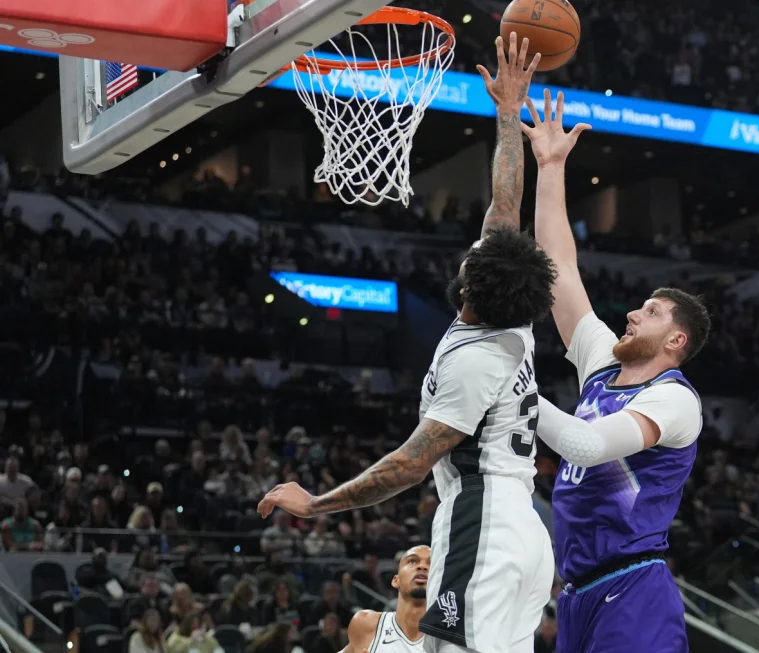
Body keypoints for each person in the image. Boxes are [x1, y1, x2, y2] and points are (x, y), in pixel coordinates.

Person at [257, 34, 556, 653]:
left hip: (484, 523)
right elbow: (506, 204)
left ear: (472, 284)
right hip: (523, 530)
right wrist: (507, 115)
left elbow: (410, 464)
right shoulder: (513, 318)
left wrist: (317, 505)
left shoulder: (474, 357)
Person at [520, 89, 710, 653]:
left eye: (650, 312)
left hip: (633, 590)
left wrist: (517, 393)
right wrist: (551, 167)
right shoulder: (603, 368)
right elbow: (557, 269)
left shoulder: (675, 401)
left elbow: (581, 444)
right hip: (577, 594)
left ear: (675, 341)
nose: (632, 311)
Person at [342, 546, 432, 653]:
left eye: (431, 563)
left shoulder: (452, 634)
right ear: (395, 580)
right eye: (412, 561)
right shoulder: (367, 625)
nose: (422, 566)